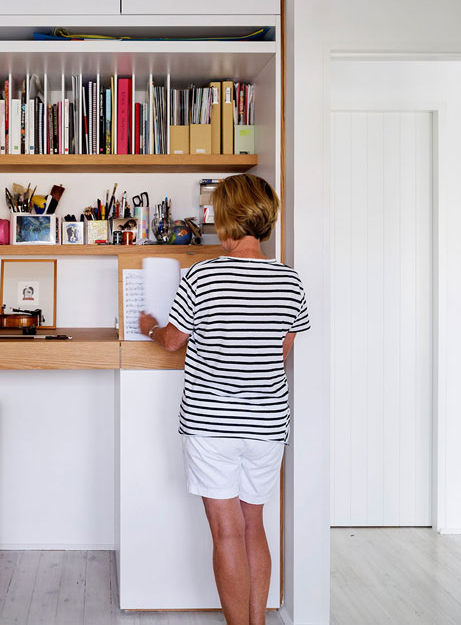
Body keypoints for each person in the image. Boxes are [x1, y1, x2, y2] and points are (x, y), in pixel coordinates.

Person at [138, 173, 310, 625]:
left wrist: (149, 328)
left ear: (229, 217)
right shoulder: (290, 280)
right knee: (254, 525)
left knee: (227, 534)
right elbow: (281, 348)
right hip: (268, 425)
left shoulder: (203, 275)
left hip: (212, 423)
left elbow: (174, 341)